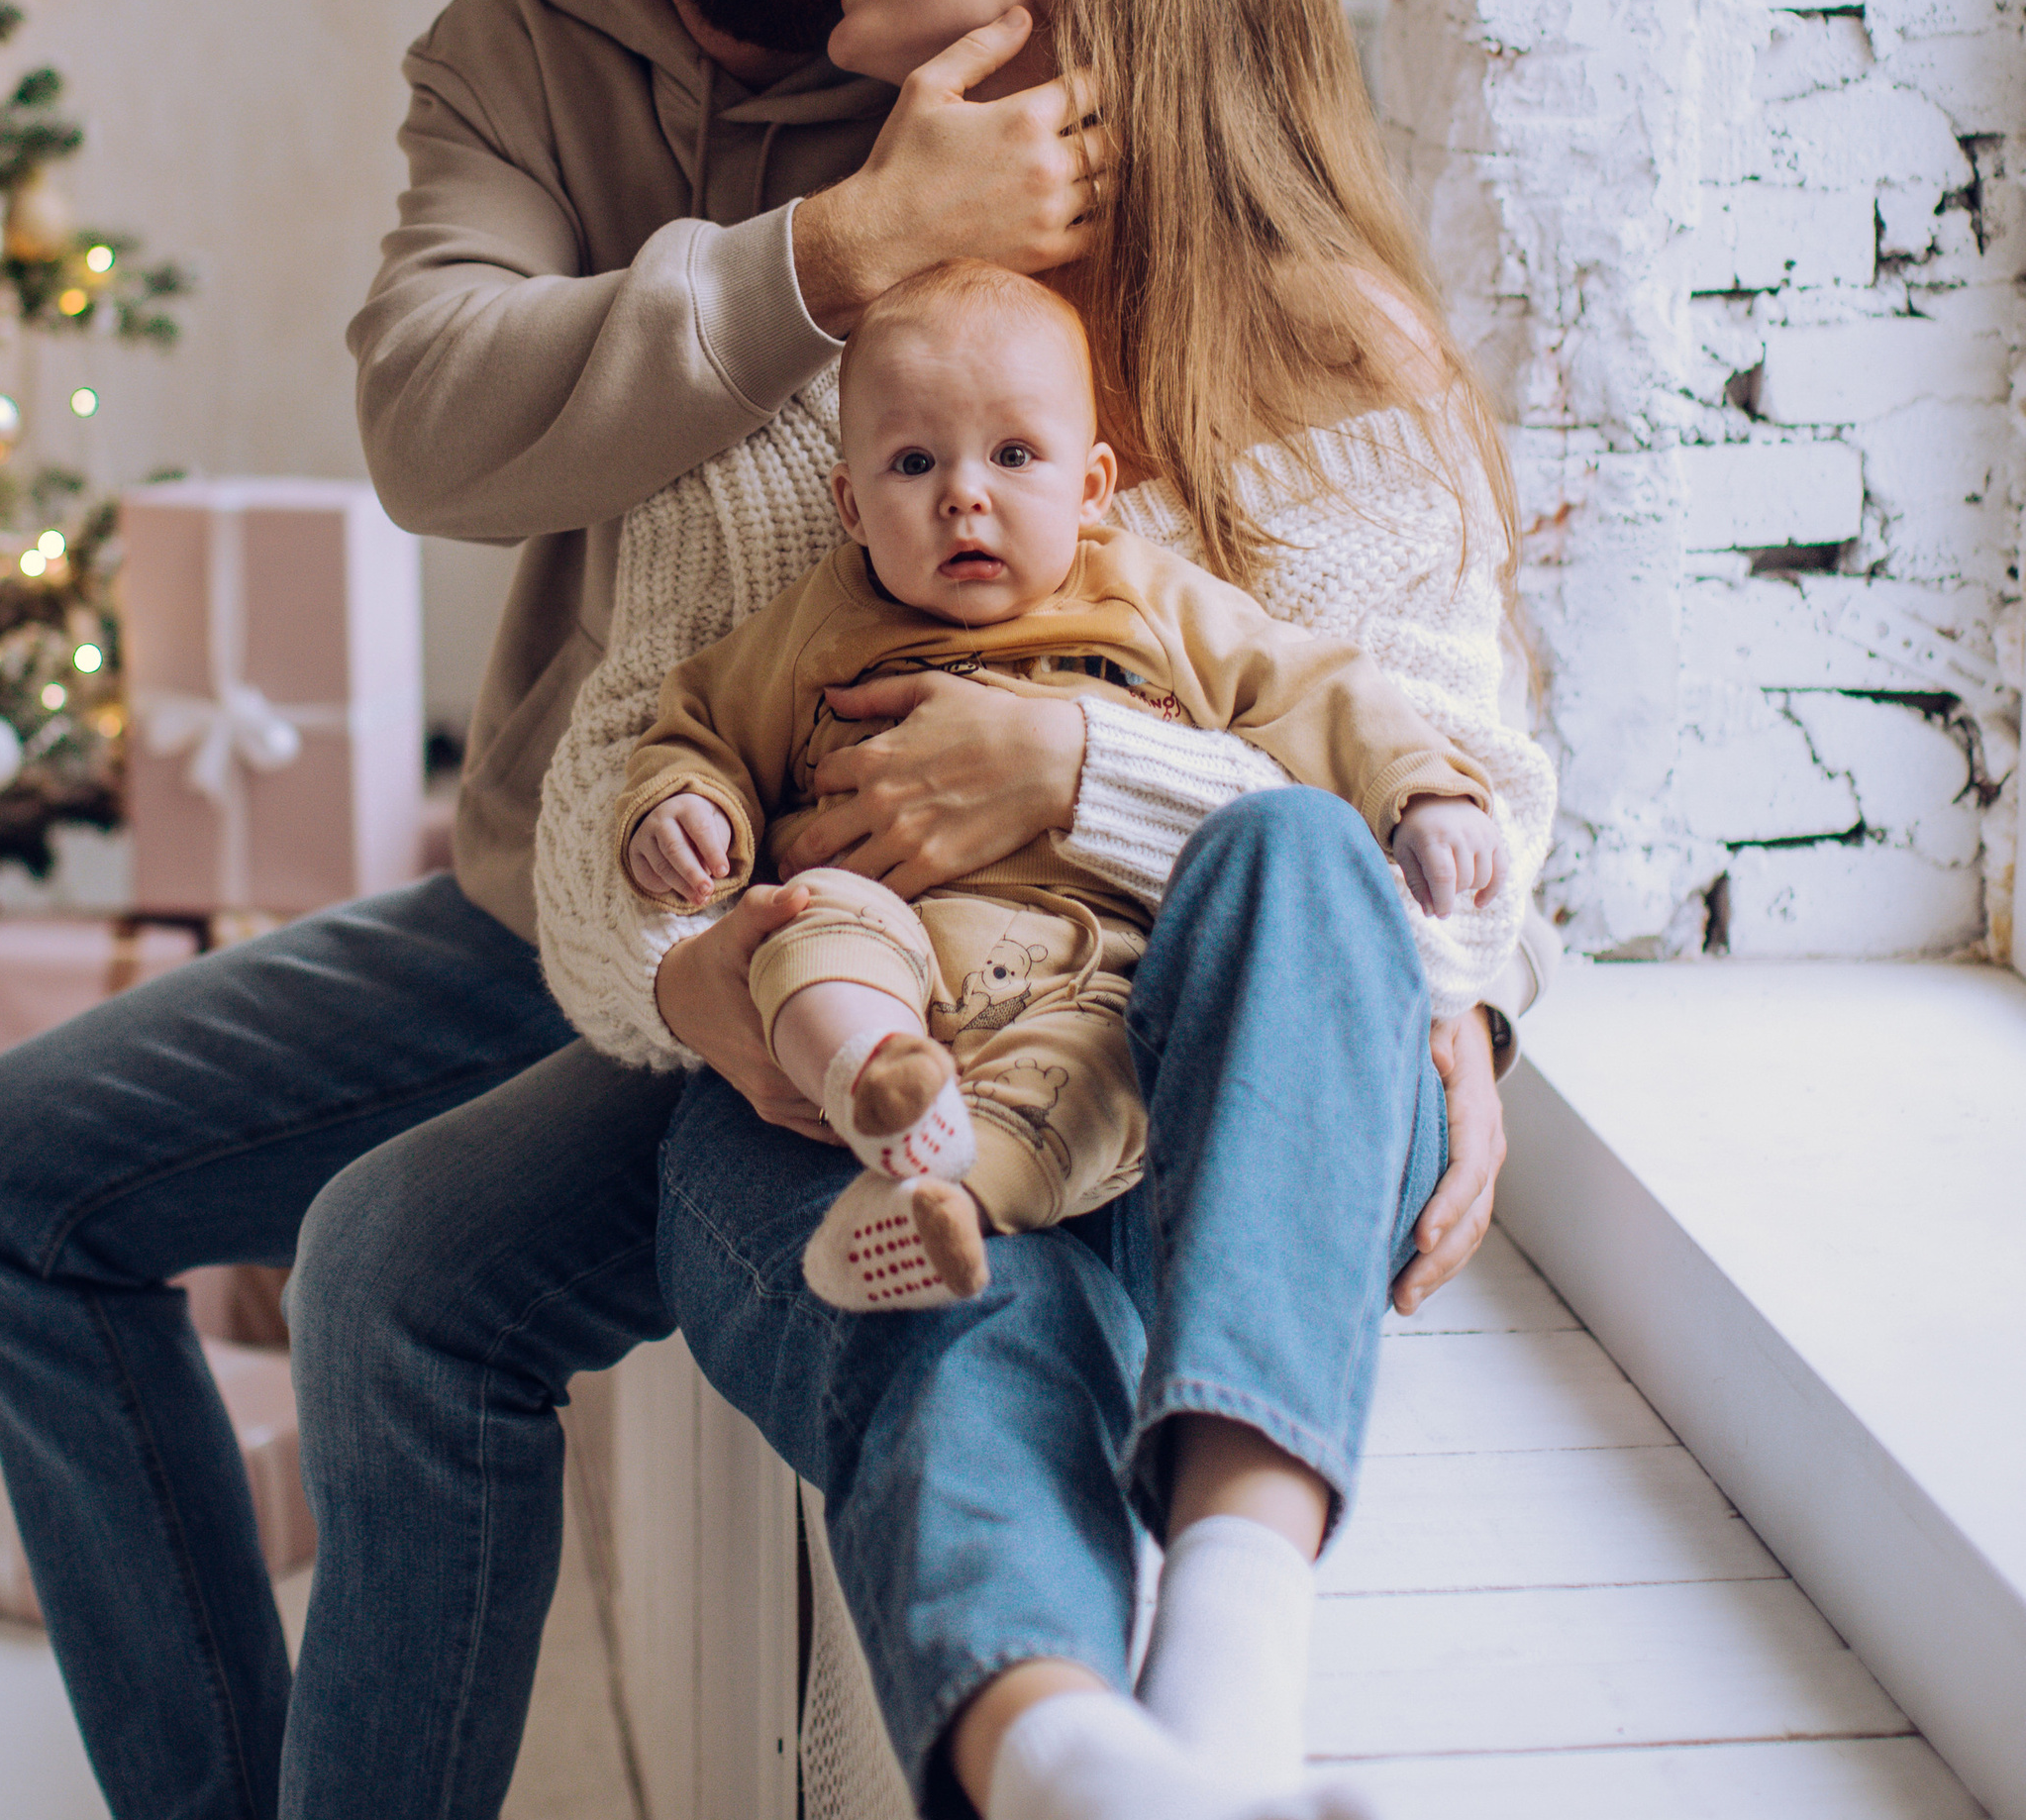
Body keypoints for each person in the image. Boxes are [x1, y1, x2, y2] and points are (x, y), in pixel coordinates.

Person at [0, 0, 1238, 1820]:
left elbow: (1273, 518)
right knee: (4, 1184)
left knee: (404, 1269)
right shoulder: (526, 63)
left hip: (851, 930)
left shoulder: (985, 38)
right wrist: (838, 249)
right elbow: (433, 416)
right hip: (553, 884)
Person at [536, 0, 1555, 1820]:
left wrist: (1073, 766)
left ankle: (1224, 1658)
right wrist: (762, 968)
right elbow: (629, 820)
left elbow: (1430, 828)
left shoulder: (1311, 352)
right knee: (942, 1267)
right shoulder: (826, 339)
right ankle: (1071, 1789)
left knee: (1287, 845)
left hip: (1212, 1073)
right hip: (878, 1057)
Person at [615, 256, 1504, 1309]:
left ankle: (951, 1202)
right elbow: (700, 723)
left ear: (1089, 490)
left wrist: (1423, 791)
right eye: (911, 464)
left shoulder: (1148, 596)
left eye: (1012, 455)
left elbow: (1312, 689)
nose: (962, 496)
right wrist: (681, 808)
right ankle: (876, 1079)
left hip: (1098, 968)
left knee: (1100, 1080)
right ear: (849, 507)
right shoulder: (819, 622)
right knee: (808, 933)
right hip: (893, 932)